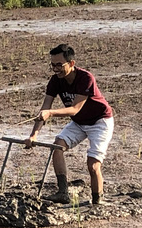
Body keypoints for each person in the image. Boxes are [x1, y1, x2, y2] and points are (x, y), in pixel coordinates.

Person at [25, 43, 114, 205]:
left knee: (93, 165)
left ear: (71, 63)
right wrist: (33, 135)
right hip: (79, 123)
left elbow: (74, 109)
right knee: (57, 146)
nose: (55, 69)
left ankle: (97, 202)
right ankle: (62, 193)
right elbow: (45, 108)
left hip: (100, 121)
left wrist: (50, 113)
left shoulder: (85, 78)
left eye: (59, 65)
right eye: (52, 65)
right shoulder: (55, 81)